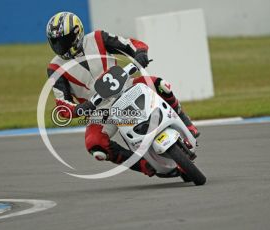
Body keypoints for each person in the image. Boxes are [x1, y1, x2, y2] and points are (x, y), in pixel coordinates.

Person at [46, 12, 199, 177]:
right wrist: (80, 108)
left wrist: (140, 53)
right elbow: (62, 104)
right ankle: (143, 165)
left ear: (78, 33)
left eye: (64, 40)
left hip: (128, 87)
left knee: (161, 85)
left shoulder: (98, 37)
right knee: (95, 146)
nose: (60, 46)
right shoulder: (54, 68)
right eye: (55, 42)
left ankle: (187, 123)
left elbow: (130, 44)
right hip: (100, 109)